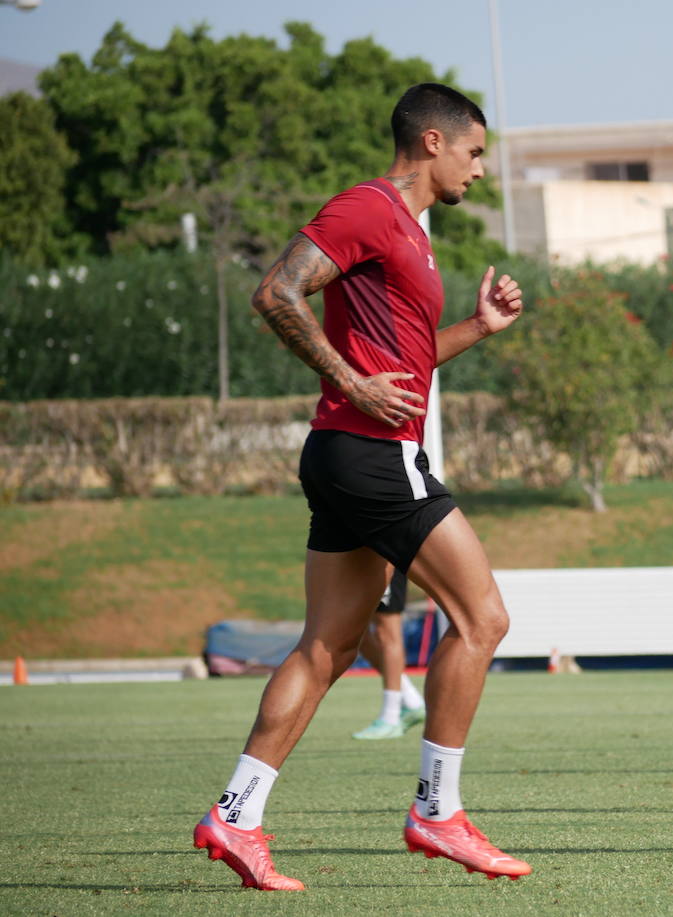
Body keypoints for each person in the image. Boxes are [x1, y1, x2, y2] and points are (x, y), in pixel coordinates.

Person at [193, 83, 531, 890]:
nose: (480, 172)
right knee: (482, 618)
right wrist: (352, 379)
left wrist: (479, 328)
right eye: (476, 153)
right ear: (433, 144)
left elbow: (405, 363)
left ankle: (235, 815)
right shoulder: (369, 209)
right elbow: (276, 291)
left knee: (326, 646)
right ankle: (437, 811)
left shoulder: (411, 232)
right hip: (375, 453)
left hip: (348, 451)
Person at [352, 564, 427, 740]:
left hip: (382, 554)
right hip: (353, 556)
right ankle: (411, 700)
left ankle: (391, 716)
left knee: (386, 631)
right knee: (354, 632)